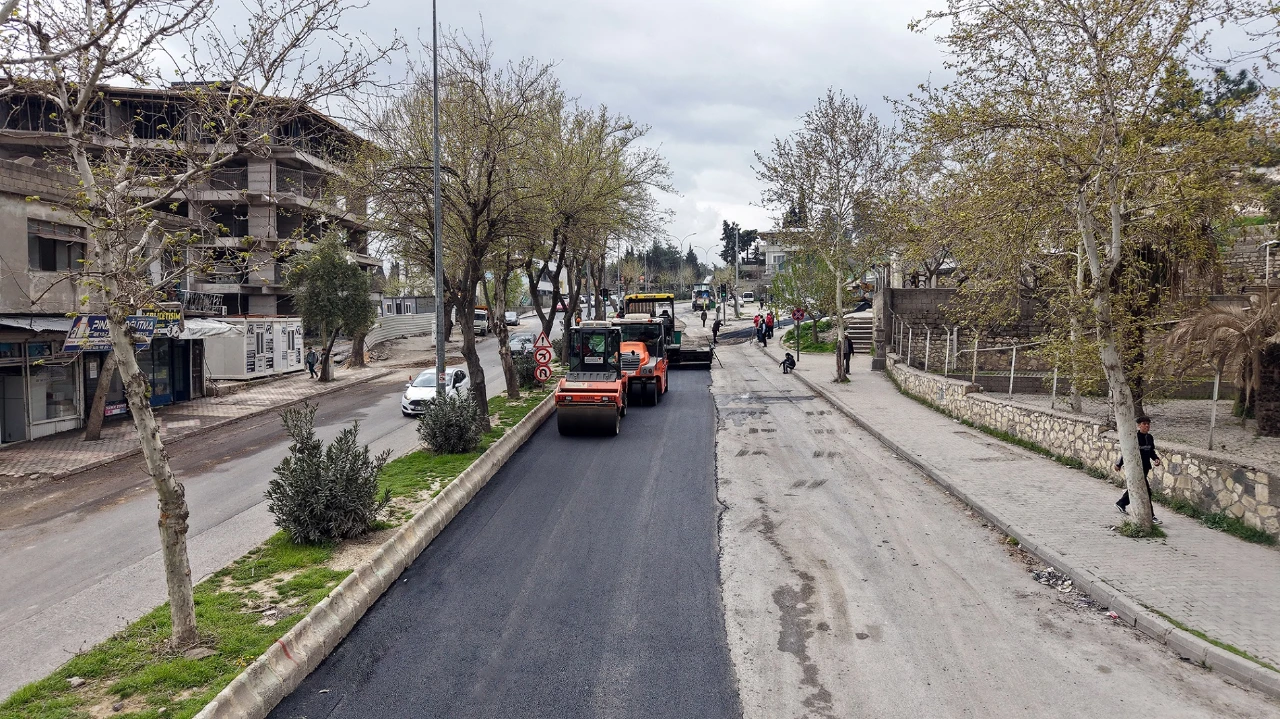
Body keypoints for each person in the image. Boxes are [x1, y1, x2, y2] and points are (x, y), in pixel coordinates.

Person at [1115, 415, 1162, 523]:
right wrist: (1118, 464)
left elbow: (1151, 451)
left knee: (1136, 488)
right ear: (1139, 426)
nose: (1147, 426)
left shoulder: (1150, 437)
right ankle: (1151, 516)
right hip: (1135, 468)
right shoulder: (1135, 438)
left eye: (1148, 424)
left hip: (1145, 468)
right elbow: (1127, 452)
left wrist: (1156, 459)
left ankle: (1121, 503)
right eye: (1144, 424)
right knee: (1146, 491)